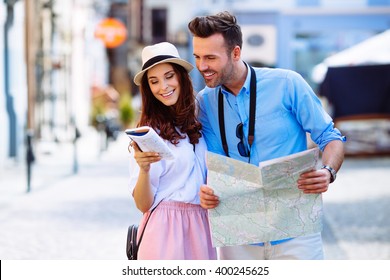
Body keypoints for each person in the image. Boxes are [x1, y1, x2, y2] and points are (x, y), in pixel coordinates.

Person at [188, 11, 345, 260]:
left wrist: (328, 172)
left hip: (295, 230)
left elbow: (330, 136)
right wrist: (206, 189)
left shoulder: (288, 84)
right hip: (237, 234)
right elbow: (213, 164)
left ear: (236, 53)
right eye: (197, 57)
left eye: (210, 57)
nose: (202, 66)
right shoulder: (204, 103)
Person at [128, 42, 217, 260]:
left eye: (169, 76)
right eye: (154, 81)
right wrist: (144, 169)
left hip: (203, 225)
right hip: (164, 228)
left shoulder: (203, 119)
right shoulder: (149, 133)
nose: (163, 86)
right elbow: (143, 205)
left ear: (180, 76)